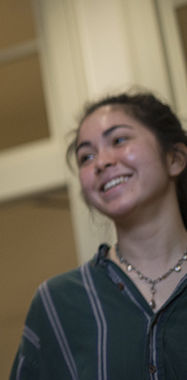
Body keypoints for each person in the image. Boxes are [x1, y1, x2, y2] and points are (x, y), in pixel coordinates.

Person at [10, 91, 187, 379]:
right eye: (86, 157)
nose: (101, 163)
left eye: (118, 140)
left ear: (174, 159)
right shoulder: (56, 304)